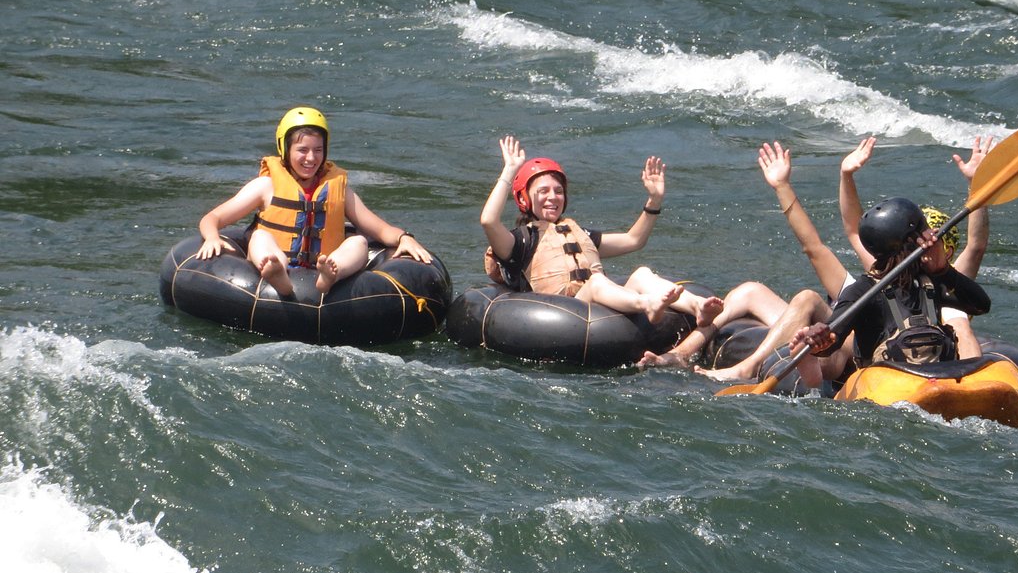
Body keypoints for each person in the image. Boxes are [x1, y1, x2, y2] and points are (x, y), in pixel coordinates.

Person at [639, 141, 854, 390]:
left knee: (808, 298)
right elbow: (833, 239)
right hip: (823, 328)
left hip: (849, 346)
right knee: (750, 291)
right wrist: (785, 185)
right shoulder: (860, 282)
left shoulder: (885, 283)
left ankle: (747, 368)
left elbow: (816, 247)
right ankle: (681, 353)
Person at [480, 136, 724, 326]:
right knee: (597, 282)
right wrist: (509, 171)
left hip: (597, 307)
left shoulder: (579, 233)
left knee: (641, 274)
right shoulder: (519, 242)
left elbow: (633, 240)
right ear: (524, 198)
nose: (553, 197)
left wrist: (654, 201)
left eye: (558, 190)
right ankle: (646, 304)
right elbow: (489, 220)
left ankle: (697, 306)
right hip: (563, 313)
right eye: (543, 191)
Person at [197, 107, 431, 297]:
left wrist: (404, 237)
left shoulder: (339, 189)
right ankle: (277, 273)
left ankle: (331, 273)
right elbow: (213, 218)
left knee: (359, 241)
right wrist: (212, 237)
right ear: (285, 148)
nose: (311, 158)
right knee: (259, 237)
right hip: (279, 262)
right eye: (302, 150)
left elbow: (379, 229)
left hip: (322, 264)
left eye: (318, 150)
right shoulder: (265, 186)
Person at [839, 135, 996, 356]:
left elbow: (976, 246)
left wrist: (977, 184)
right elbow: (856, 230)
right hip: (890, 359)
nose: (930, 240)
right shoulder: (879, 275)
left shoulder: (947, 276)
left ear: (948, 250)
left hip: (941, 357)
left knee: (959, 321)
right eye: (925, 233)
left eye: (936, 238)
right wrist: (846, 175)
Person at [790, 198, 991, 367]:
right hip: (886, 382)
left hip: (935, 374)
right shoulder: (862, 290)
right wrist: (820, 338)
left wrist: (944, 270)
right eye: (927, 231)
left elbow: (981, 305)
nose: (934, 235)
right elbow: (833, 340)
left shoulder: (932, 280)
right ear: (913, 242)